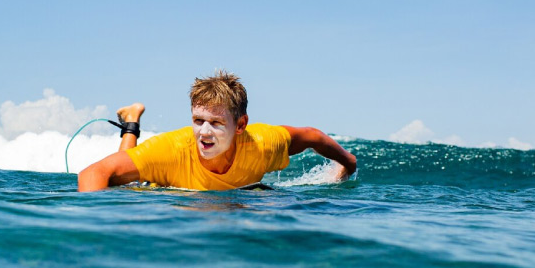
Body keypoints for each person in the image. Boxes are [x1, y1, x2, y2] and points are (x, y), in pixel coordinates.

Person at [77, 71, 357, 192]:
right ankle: (131, 121)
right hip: (162, 183)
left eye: (216, 123)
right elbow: (94, 173)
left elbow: (312, 136)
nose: (204, 132)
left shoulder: (261, 143)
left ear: (241, 125)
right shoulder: (171, 149)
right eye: (198, 120)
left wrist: (347, 163)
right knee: (123, 183)